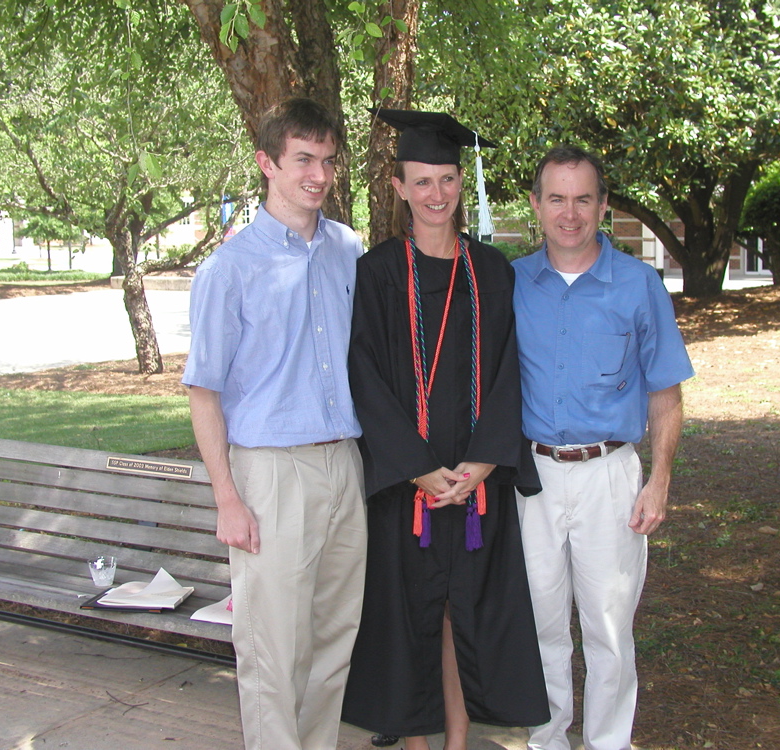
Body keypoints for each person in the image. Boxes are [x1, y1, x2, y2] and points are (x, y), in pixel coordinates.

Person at [341, 109, 550, 750]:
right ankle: (415, 743)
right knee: (411, 618)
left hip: (475, 484)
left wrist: (484, 462)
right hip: (411, 486)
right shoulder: (377, 272)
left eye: (448, 180)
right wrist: (418, 468)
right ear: (399, 187)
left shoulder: (494, 270)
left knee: (468, 618)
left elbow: (514, 370)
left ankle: (457, 742)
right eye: (422, 181)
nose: (437, 195)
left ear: (462, 183)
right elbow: (365, 376)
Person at [181, 98, 367, 750]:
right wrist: (227, 498)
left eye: (327, 160)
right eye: (302, 160)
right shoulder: (228, 269)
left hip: (345, 462)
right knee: (271, 647)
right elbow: (203, 393)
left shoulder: (349, 249)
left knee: (332, 639)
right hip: (270, 473)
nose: (317, 174)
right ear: (268, 163)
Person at [512, 146, 695, 750]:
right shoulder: (511, 284)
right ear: (536, 205)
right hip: (531, 477)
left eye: (583, 198)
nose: (570, 213)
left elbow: (666, 397)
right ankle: (547, 740)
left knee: (610, 628)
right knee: (540, 624)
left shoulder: (640, 286)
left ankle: (610, 742)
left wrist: (659, 482)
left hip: (611, 475)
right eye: (557, 198)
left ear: (603, 206)